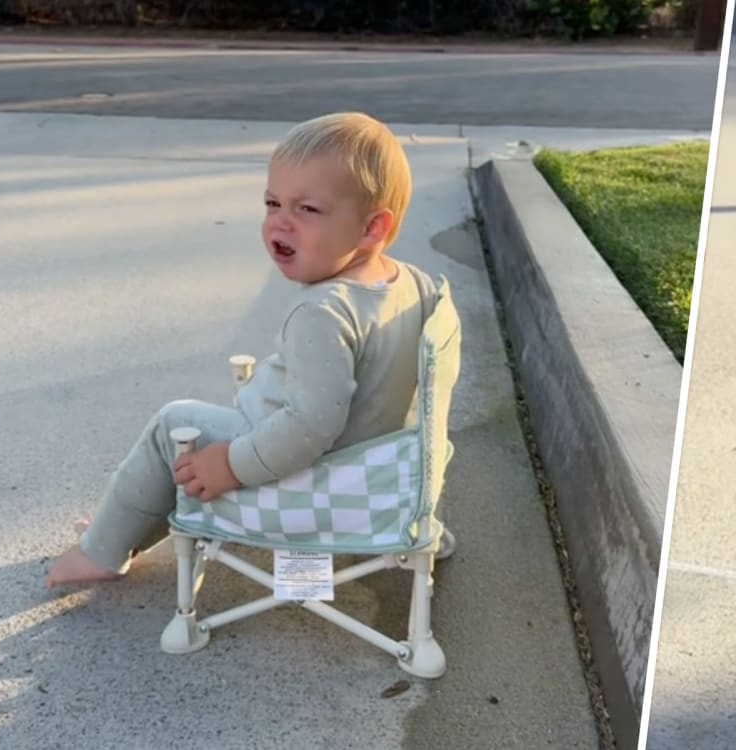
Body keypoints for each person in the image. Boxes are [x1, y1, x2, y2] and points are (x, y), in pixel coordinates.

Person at [46, 111, 447, 588]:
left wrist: (231, 464)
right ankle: (123, 530)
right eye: (273, 203)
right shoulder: (414, 284)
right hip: (377, 475)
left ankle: (102, 551)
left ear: (370, 229)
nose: (280, 223)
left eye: (308, 210)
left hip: (310, 477)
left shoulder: (323, 311)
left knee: (174, 424)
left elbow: (309, 426)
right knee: (187, 443)